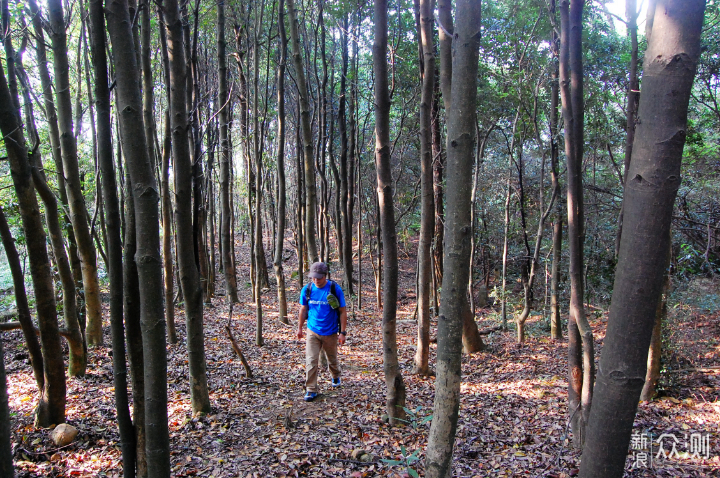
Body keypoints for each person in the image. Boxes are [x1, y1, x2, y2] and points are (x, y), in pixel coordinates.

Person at [297, 262, 347, 402]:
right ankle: (311, 390)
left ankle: (336, 375)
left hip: (330, 331)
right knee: (311, 360)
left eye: (319, 277)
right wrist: (300, 328)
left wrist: (342, 332)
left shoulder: (334, 289)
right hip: (312, 331)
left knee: (332, 358)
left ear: (325, 276)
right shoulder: (307, 290)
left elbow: (342, 311)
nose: (316, 280)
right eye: (313, 277)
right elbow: (303, 309)